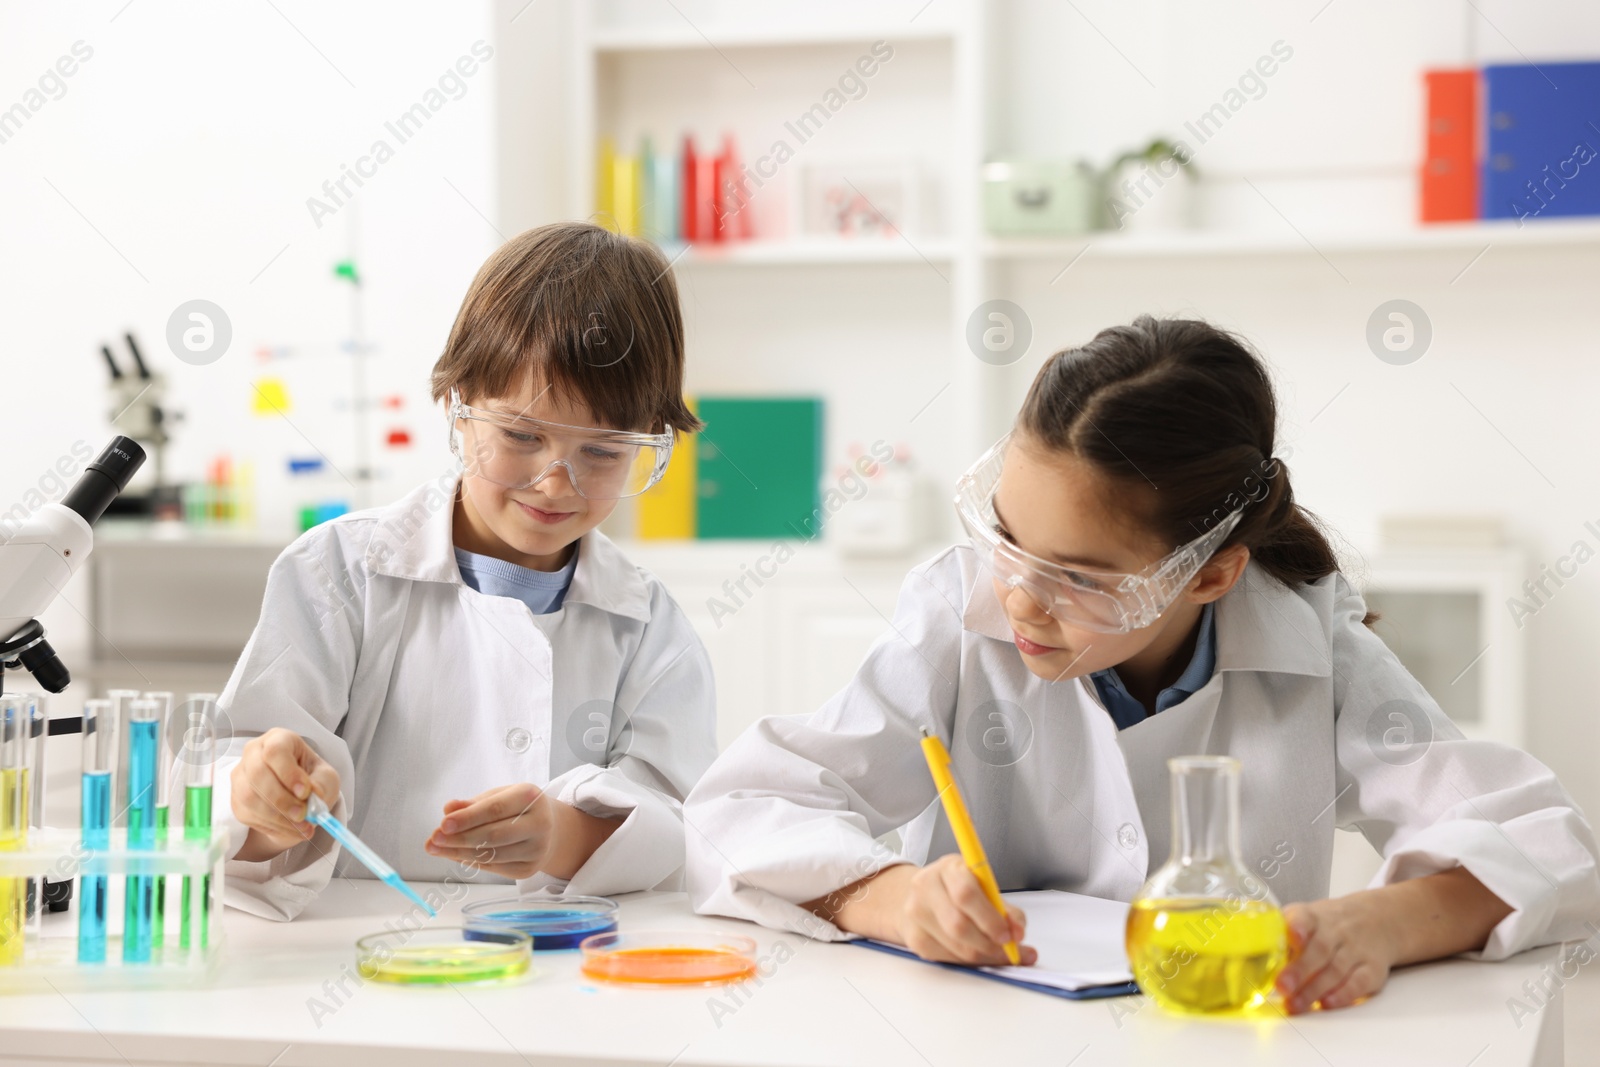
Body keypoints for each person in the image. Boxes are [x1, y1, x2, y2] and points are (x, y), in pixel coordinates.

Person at [685, 315, 1600, 1013]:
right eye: (1006, 538)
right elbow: (739, 809)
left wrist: (1380, 923)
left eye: (1079, 578)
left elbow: (1551, 844)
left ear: (1211, 572)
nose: (1021, 600)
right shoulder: (955, 621)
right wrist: (889, 896)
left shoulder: (1309, 647)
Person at [218, 222, 716, 919]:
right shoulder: (338, 573)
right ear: (459, 405)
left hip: (560, 960)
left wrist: (562, 835)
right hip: (349, 950)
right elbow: (234, 778)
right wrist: (268, 802)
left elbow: (679, 817)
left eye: (603, 452)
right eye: (520, 436)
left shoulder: (648, 627)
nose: (554, 483)